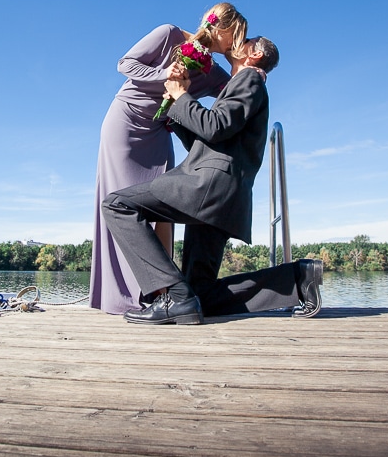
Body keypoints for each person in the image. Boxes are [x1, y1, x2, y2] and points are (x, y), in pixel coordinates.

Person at [101, 37, 322, 324]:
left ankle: (174, 296)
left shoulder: (249, 81)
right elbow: (205, 141)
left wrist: (182, 96)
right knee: (200, 295)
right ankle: (298, 280)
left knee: (117, 205)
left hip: (207, 186)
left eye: (247, 41)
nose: (238, 42)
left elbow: (214, 127)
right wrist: (174, 111)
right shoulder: (244, 87)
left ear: (254, 54)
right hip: (221, 196)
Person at [89, 3, 247, 315]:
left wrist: (249, 72)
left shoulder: (213, 71)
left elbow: (231, 95)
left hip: (161, 130)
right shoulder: (169, 34)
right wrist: (165, 74)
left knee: (163, 206)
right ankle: (125, 293)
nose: (237, 43)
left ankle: (165, 292)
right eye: (237, 36)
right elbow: (126, 64)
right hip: (126, 125)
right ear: (222, 29)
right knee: (120, 202)